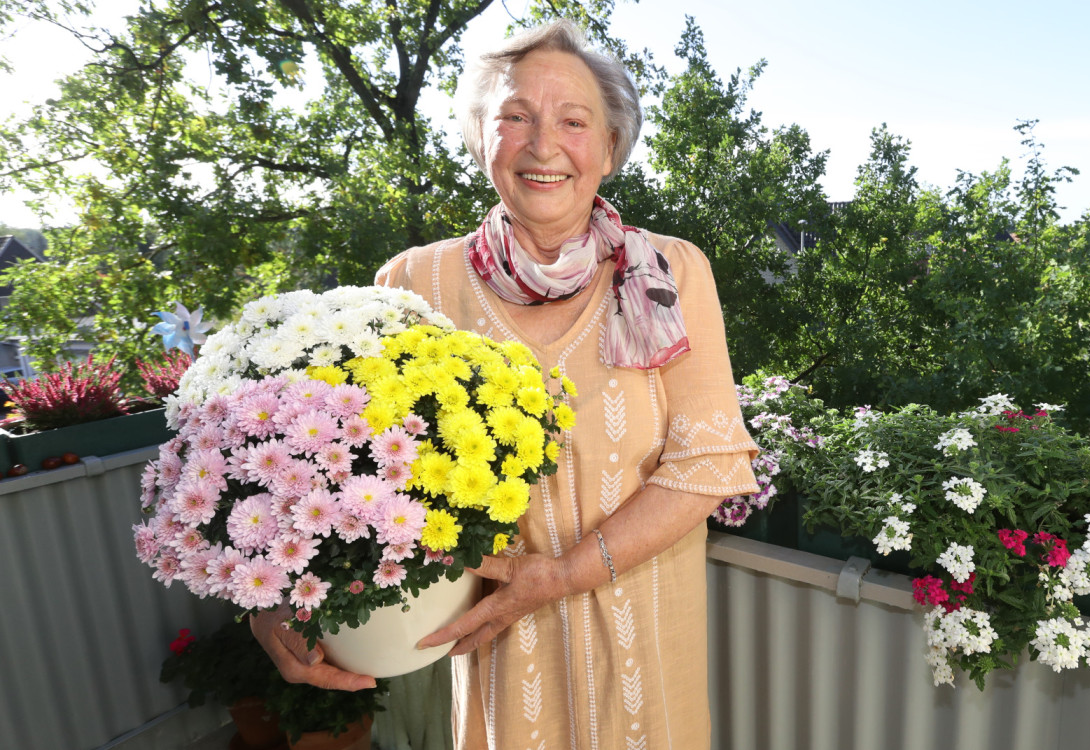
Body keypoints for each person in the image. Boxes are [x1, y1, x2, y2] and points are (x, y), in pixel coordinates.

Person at [252, 20, 759, 750]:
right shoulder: (413, 283)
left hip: (643, 651)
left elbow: (707, 463)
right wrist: (275, 599)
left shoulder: (670, 274)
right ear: (481, 138)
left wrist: (559, 575)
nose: (543, 145)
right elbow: (340, 462)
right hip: (501, 659)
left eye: (573, 121)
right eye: (515, 117)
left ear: (610, 147)